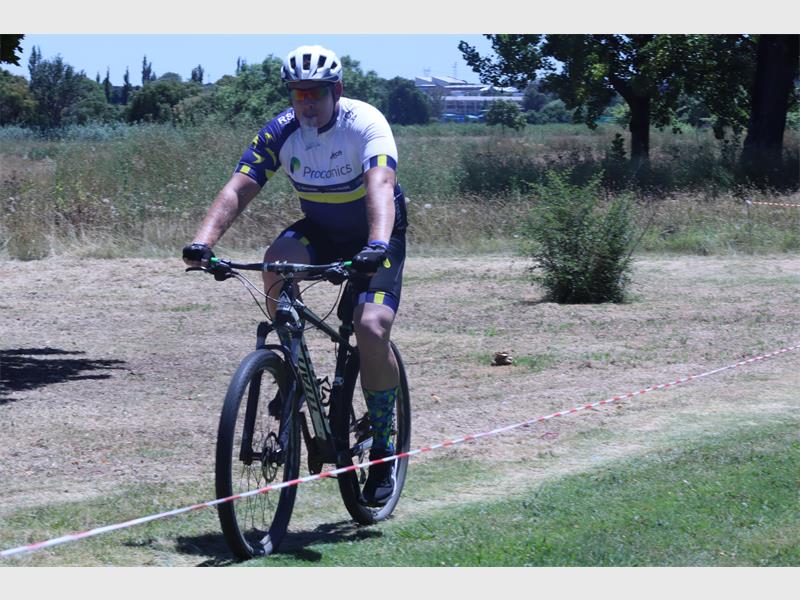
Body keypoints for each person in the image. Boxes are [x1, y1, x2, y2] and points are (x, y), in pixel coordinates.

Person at [182, 45, 407, 506]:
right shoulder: (280, 131)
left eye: (315, 93)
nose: (306, 103)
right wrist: (202, 243)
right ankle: (294, 373)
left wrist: (376, 245)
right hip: (321, 230)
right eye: (298, 93)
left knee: (369, 327)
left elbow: (381, 186)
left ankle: (383, 448)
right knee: (275, 263)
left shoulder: (365, 123)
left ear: (336, 91)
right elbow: (238, 188)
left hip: (376, 233)